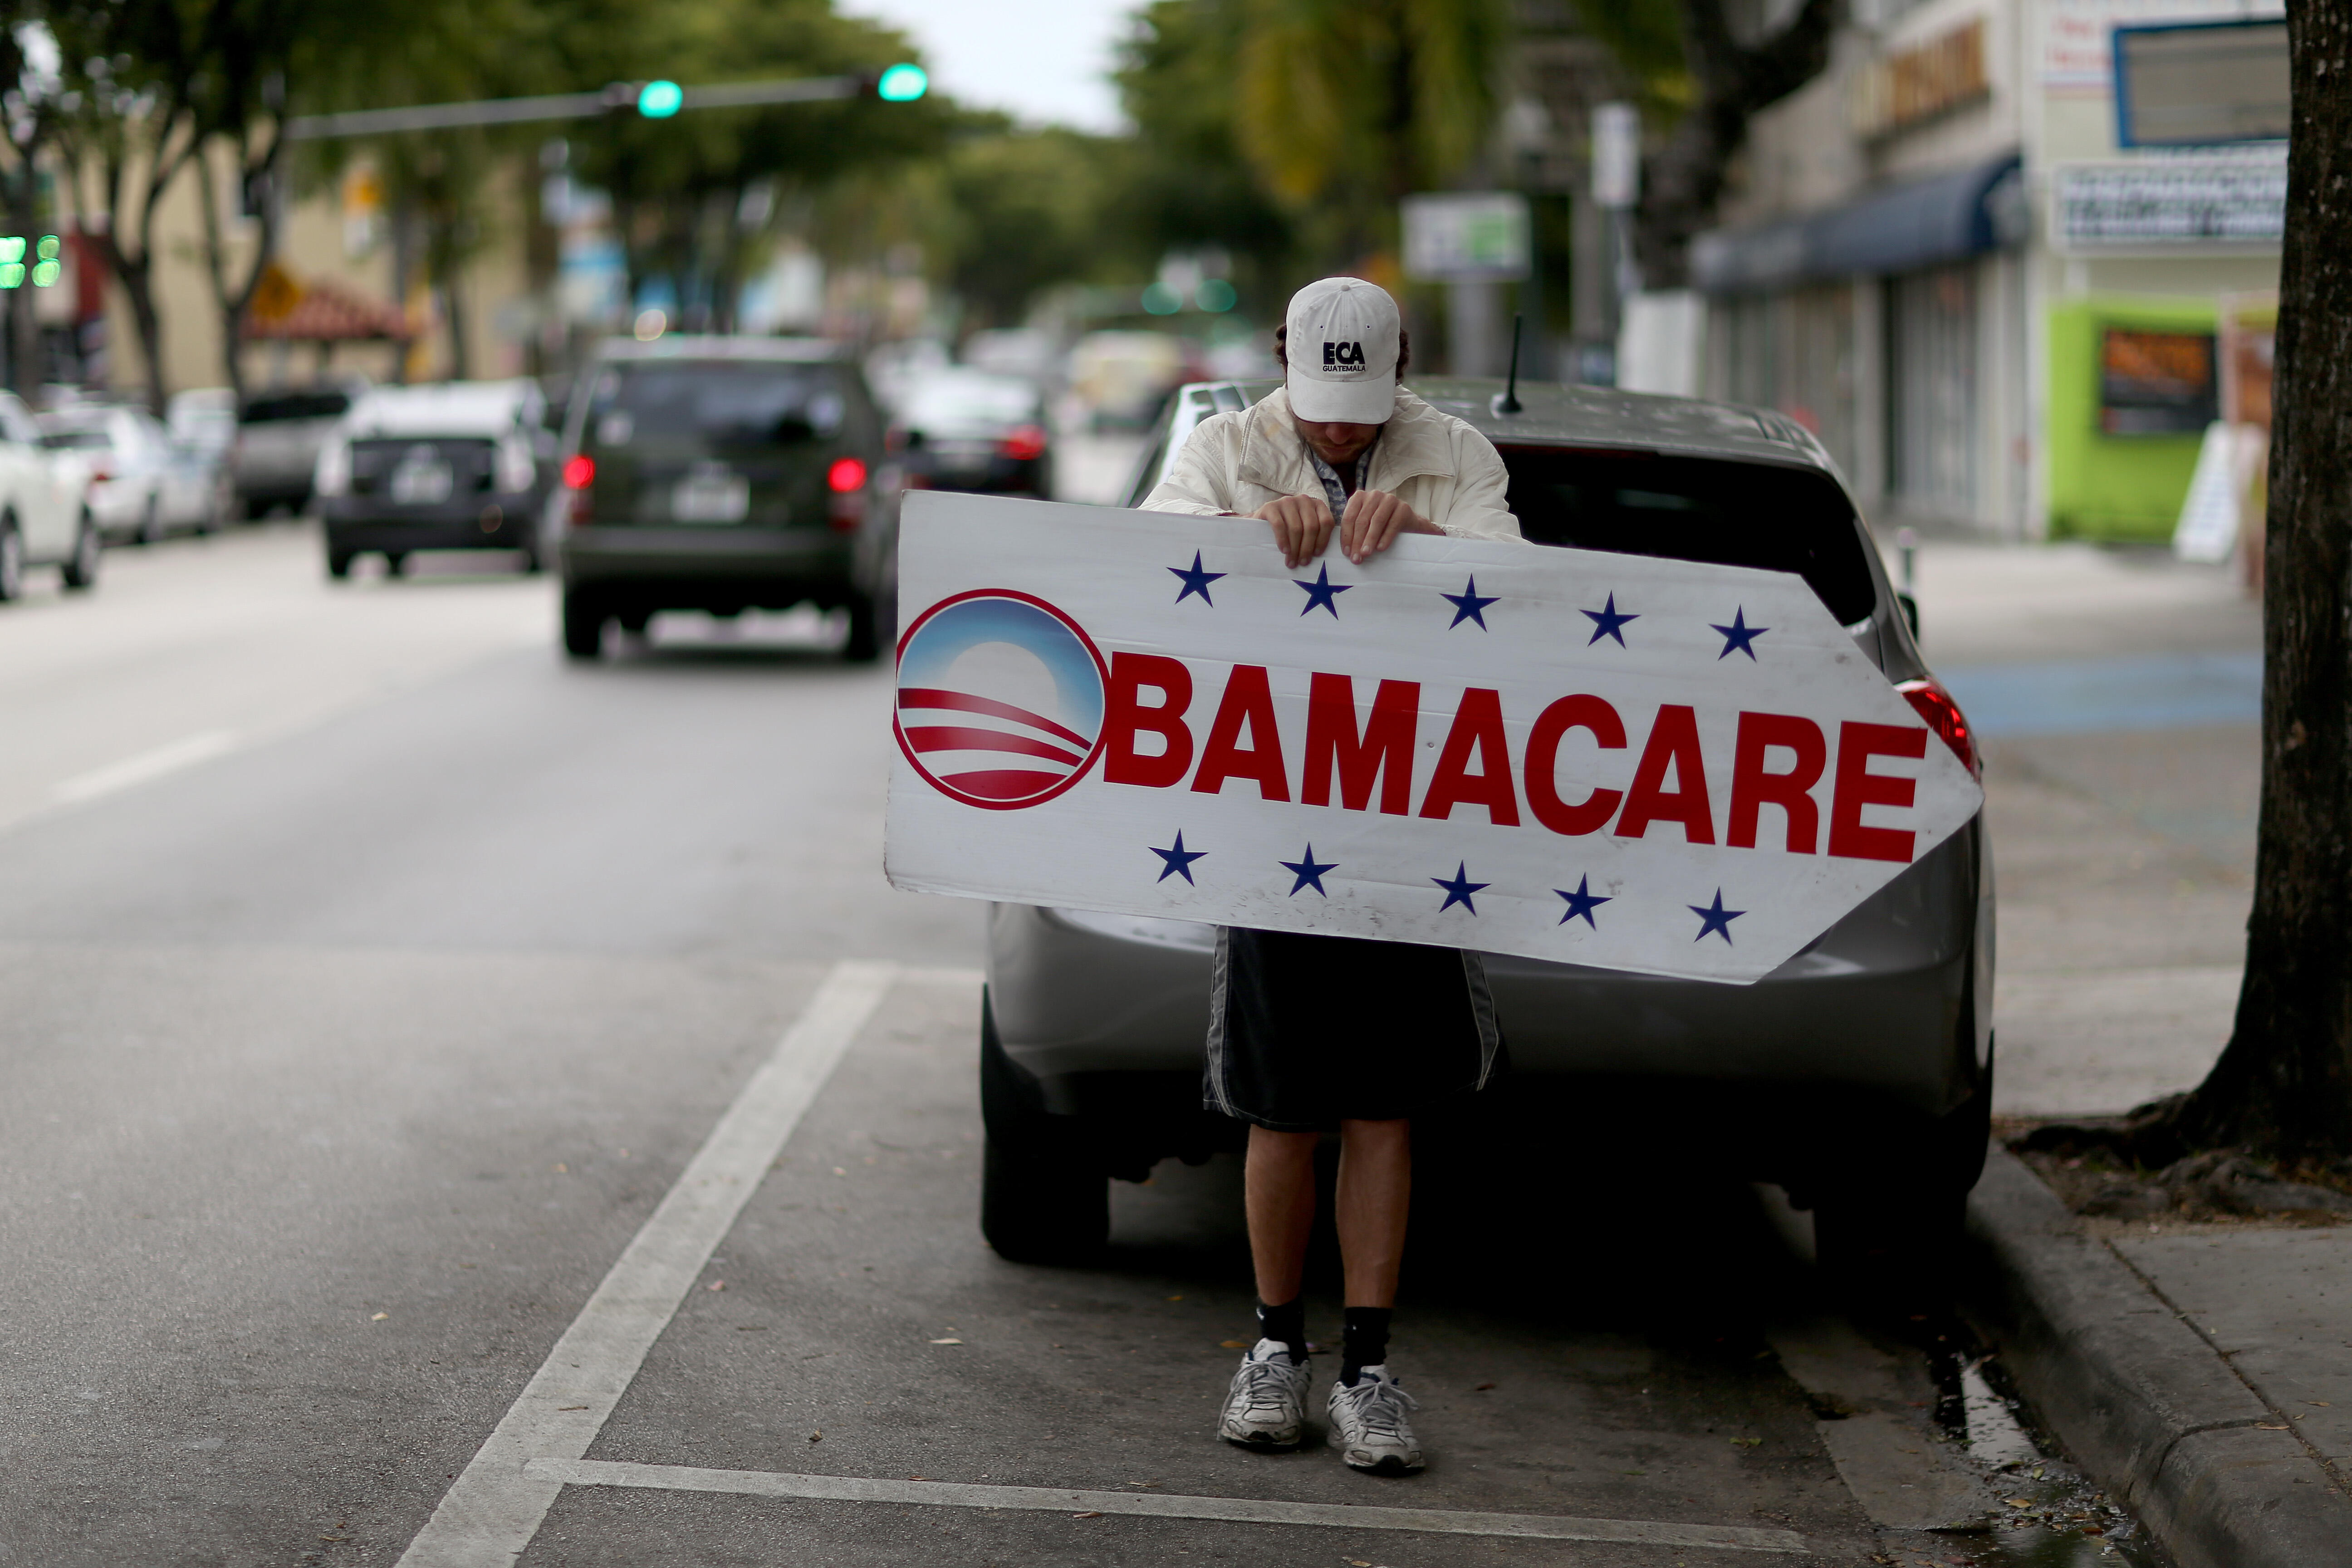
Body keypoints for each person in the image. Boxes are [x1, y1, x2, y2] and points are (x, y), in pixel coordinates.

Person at [1140, 277, 1521, 1475]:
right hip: (1271, 825)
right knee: (1283, 1106)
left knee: (1383, 1107)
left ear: (1402, 362)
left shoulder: (1454, 454)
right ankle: (1272, 1353)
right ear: (1281, 367)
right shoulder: (1227, 448)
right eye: (1322, 405)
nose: (1342, 432)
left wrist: (1426, 544)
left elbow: (1521, 580)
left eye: (1362, 405)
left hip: (1407, 825)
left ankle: (1369, 1370)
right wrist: (1251, 539)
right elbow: (1142, 556)